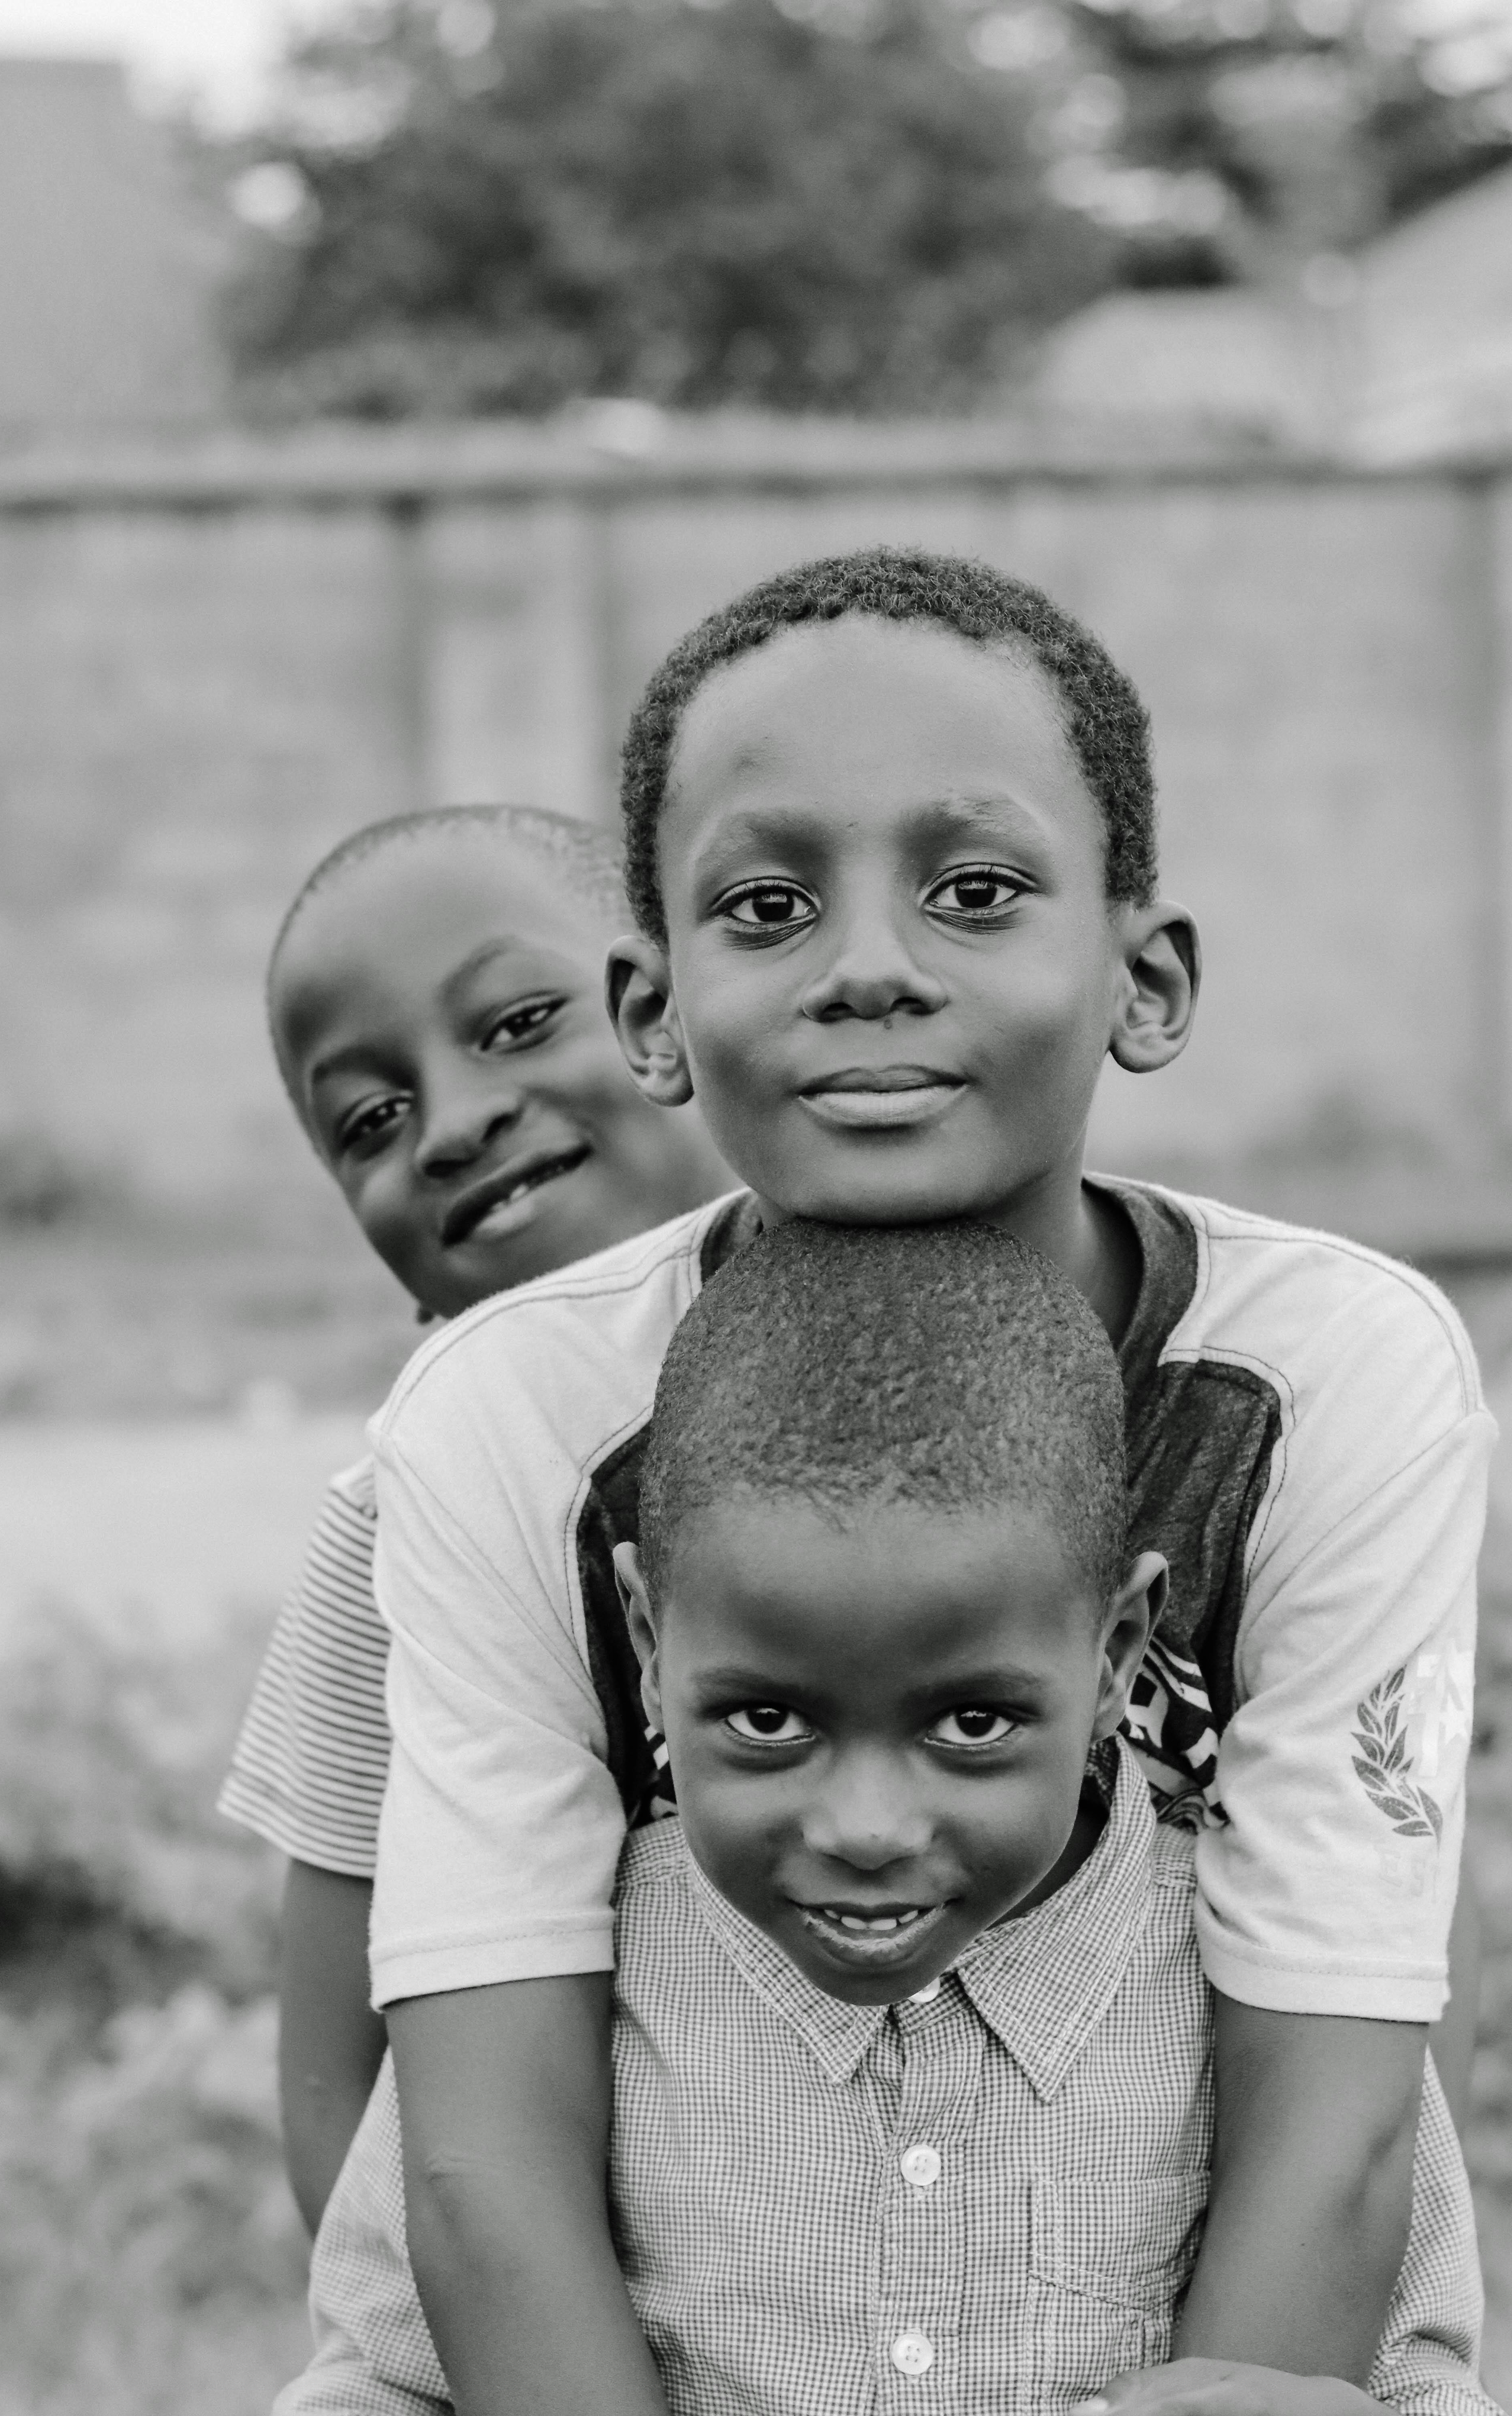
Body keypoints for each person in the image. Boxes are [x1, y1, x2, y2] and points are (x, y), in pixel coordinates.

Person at [363, 550, 1495, 2416]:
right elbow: (478, 2162)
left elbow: (1338, 2101)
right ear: (649, 1008)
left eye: (975, 892)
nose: (870, 963)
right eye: (766, 901)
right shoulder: (517, 1417)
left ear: (1144, 977)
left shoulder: (1325, 1383)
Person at [281, 1223, 1492, 2416]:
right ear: (649, 1646)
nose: (866, 1828)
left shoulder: (1241, 2005)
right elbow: (380, 2378)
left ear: (1118, 1653)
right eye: (767, 1722)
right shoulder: (573, 2007)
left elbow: (1420, 2379)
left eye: (971, 1726)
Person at [218, 805, 727, 2230]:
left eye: (515, 1024)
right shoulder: (394, 1523)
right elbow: (338, 2071)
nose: (454, 1122)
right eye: (370, 1121)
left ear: (672, 1012)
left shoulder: (972, 1379)